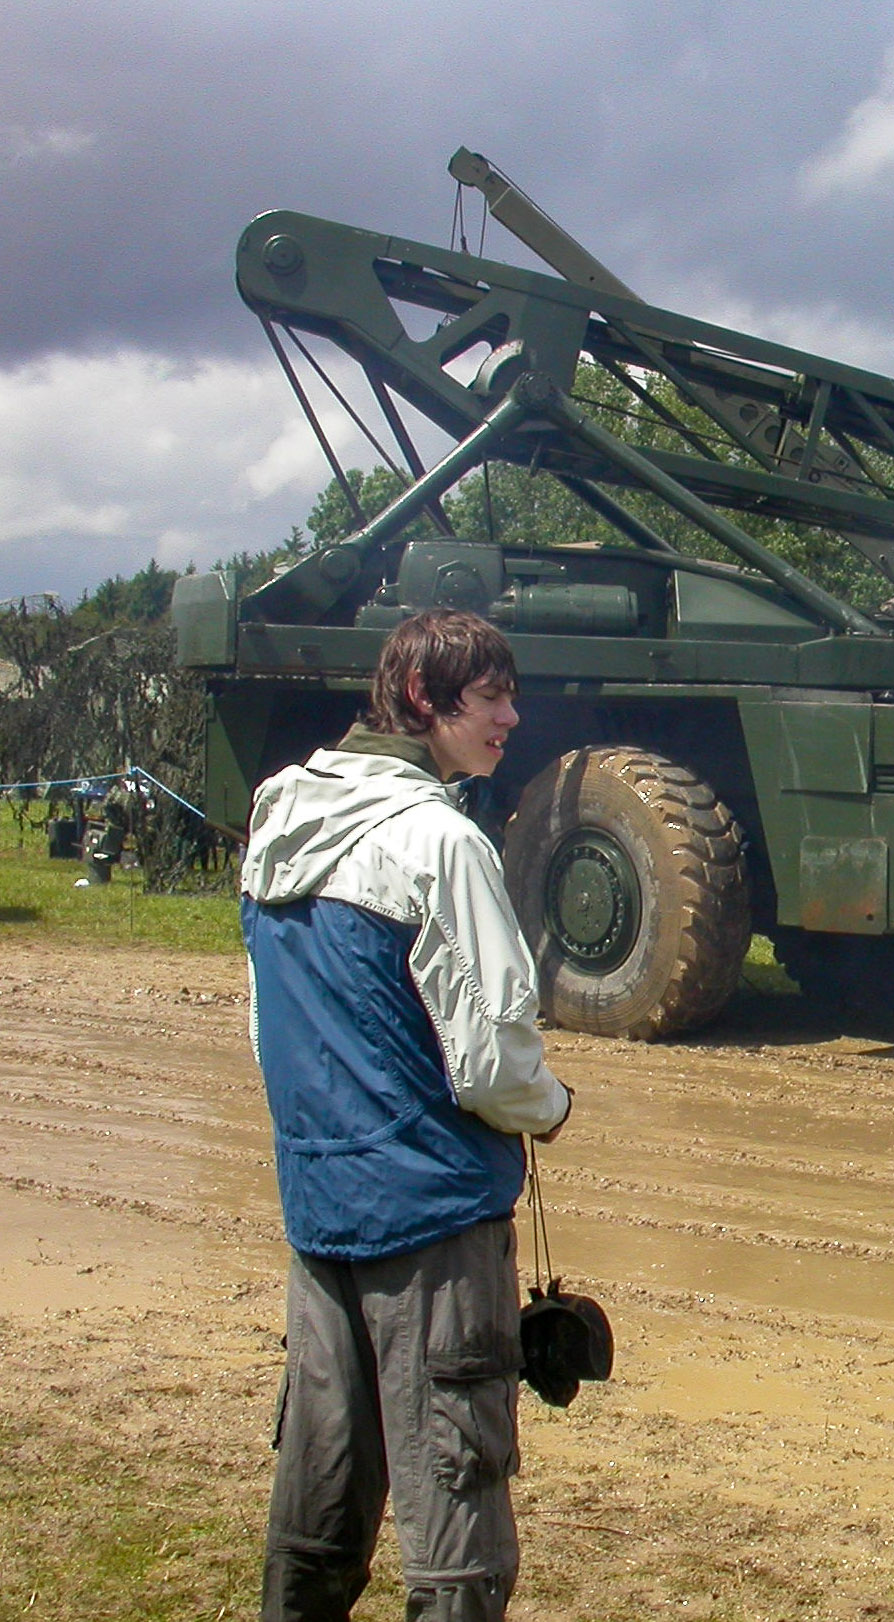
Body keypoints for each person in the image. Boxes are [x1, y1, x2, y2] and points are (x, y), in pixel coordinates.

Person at [242, 609, 572, 1622]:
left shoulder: (277, 815)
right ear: (425, 702)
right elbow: (492, 1061)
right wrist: (551, 1105)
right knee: (457, 1537)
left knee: (319, 1508)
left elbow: (271, 1029)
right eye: (493, 698)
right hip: (431, 1228)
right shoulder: (440, 839)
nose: (513, 716)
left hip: (321, 1213)